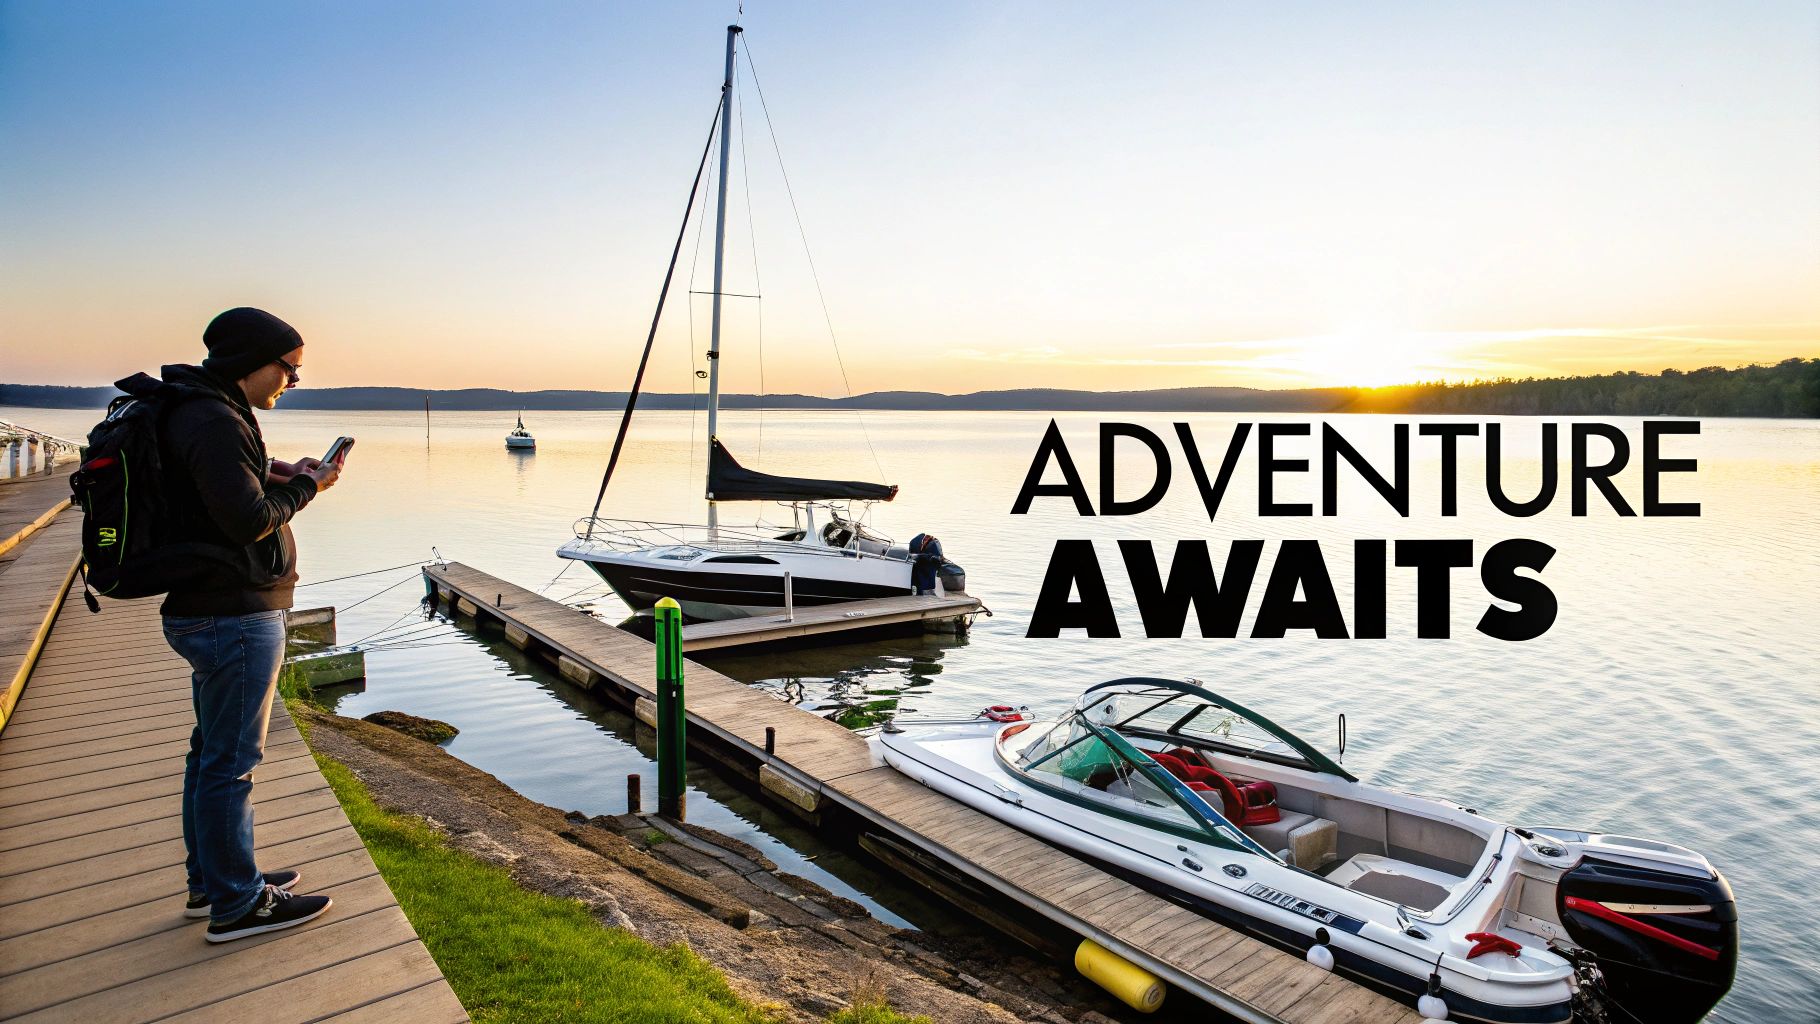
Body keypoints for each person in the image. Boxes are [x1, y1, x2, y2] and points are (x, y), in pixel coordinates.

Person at [159, 307, 340, 942]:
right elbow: (246, 521)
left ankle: (214, 881)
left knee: (210, 754)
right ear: (250, 363)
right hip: (231, 612)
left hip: (212, 607)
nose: (292, 380)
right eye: (288, 368)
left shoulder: (202, 409)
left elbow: (218, 491)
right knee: (230, 762)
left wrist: (276, 472)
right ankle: (237, 904)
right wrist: (309, 487)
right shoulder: (213, 418)